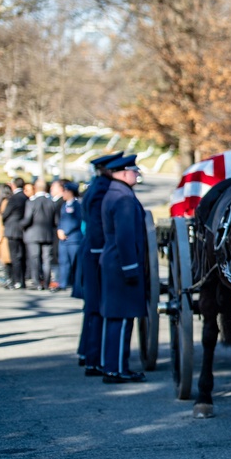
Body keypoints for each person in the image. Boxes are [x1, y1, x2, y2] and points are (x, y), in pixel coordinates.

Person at [99, 154, 147, 383]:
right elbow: (125, 238)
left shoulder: (116, 193)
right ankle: (116, 369)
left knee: (117, 317)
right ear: (124, 172)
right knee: (122, 318)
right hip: (121, 264)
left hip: (114, 263)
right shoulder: (124, 198)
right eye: (134, 171)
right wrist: (131, 268)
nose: (137, 174)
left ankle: (114, 366)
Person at [75, 151, 123, 374]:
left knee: (92, 307)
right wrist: (101, 253)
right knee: (97, 307)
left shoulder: (96, 185)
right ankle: (95, 359)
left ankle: (87, 353)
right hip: (95, 252)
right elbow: (97, 225)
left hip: (91, 250)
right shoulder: (102, 188)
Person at [22, 178, 58, 290]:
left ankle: (37, 282)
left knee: (35, 259)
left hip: (33, 235)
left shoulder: (31, 202)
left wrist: (20, 225)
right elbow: (55, 221)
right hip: (47, 234)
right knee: (46, 259)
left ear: (35, 188)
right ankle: (46, 282)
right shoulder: (51, 202)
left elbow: (27, 219)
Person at [55, 181, 84, 292]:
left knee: (75, 263)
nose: (64, 194)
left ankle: (77, 284)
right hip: (63, 240)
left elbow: (76, 221)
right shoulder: (64, 205)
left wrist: (65, 231)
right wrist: (59, 230)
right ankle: (63, 283)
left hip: (73, 239)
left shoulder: (77, 205)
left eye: (65, 191)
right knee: (63, 262)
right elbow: (61, 220)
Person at [1, 177, 28, 289]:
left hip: (12, 229)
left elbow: (5, 213)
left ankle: (17, 280)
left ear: (14, 185)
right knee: (21, 255)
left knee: (15, 256)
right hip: (23, 229)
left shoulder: (14, 198)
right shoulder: (26, 197)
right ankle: (22, 280)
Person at [0, 186, 13, 287]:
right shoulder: (10, 201)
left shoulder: (4, 203)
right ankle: (10, 278)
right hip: (9, 233)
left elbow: (1, 219)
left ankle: (9, 279)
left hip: (5, 234)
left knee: (6, 259)